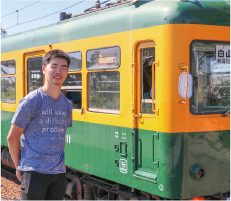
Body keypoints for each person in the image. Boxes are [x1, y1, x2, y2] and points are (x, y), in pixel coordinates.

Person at [7, 50, 72, 201]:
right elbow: (12, 137)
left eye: (63, 67)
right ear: (44, 69)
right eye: (54, 66)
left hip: (58, 173)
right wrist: (19, 167)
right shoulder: (32, 101)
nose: (58, 71)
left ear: (67, 72)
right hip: (33, 171)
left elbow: (60, 137)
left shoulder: (67, 105)